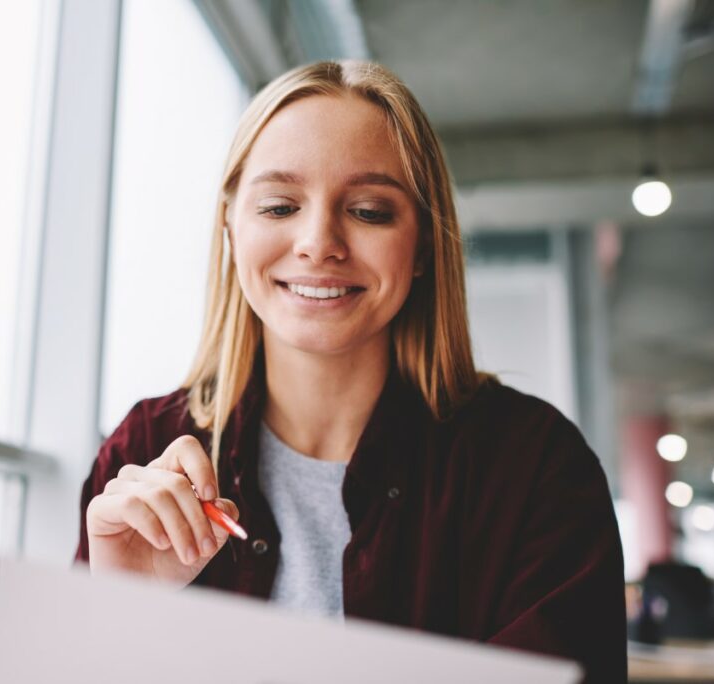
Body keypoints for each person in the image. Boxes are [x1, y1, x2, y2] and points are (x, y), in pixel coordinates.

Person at [74, 60, 626, 682]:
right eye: (279, 206)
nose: (318, 242)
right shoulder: (144, 452)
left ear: (422, 245)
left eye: (368, 211)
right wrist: (121, 616)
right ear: (230, 229)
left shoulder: (536, 469)